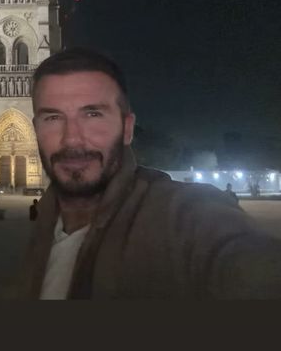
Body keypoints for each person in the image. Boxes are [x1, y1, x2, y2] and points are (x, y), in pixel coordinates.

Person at [22, 47, 281, 299]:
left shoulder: (183, 215)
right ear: (35, 130)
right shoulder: (45, 222)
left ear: (127, 128)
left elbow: (245, 262)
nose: (72, 139)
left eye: (93, 114)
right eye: (53, 117)